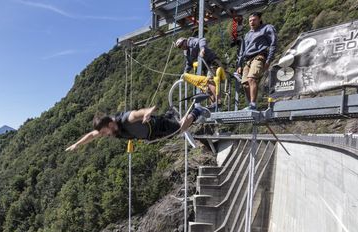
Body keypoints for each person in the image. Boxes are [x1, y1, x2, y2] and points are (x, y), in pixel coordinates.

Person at [65, 106, 209, 151]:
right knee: (177, 128)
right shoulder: (111, 128)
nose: (102, 135)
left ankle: (197, 111)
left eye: (103, 132)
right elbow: (91, 135)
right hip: (153, 134)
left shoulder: (126, 119)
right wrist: (77, 144)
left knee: (181, 128)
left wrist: (147, 112)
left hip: (157, 126)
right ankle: (173, 114)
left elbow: (136, 113)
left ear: (109, 125)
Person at [236, 12, 277, 111]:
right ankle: (251, 105)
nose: (252, 22)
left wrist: (268, 60)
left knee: (252, 79)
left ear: (259, 19)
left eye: (254, 20)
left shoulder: (266, 28)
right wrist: (239, 65)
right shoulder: (247, 35)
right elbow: (242, 50)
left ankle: (253, 104)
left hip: (259, 56)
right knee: (245, 83)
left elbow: (273, 43)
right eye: (250, 20)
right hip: (247, 60)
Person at [174, 36, 224, 106]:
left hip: (211, 61)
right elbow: (189, 63)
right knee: (206, 85)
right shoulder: (186, 52)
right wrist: (185, 73)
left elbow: (202, 40)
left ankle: (218, 101)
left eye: (181, 45)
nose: (181, 47)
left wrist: (202, 49)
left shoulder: (192, 41)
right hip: (205, 67)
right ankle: (213, 103)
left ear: (185, 41)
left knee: (210, 81)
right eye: (179, 47)